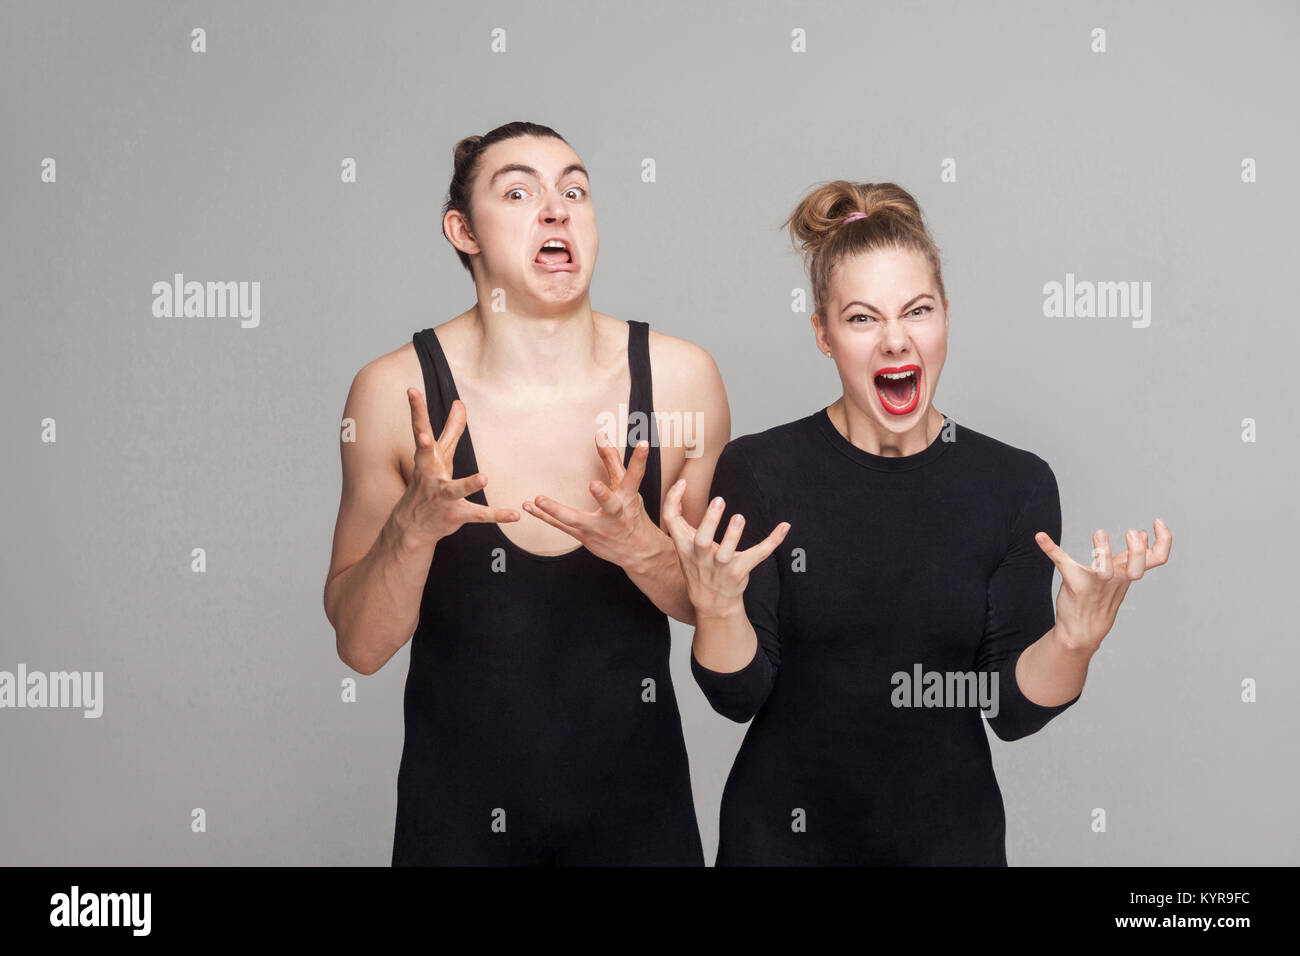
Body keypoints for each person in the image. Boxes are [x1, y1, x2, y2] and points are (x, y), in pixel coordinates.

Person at [663, 181, 1173, 866]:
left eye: (917, 311)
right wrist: (720, 608)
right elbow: (737, 694)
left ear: (946, 319)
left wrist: (1077, 639)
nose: (895, 340)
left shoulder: (1014, 485)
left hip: (948, 845)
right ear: (822, 333)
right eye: (862, 318)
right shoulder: (759, 471)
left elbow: (1012, 711)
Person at [323, 121, 729, 865]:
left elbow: (716, 617)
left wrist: (642, 548)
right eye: (519, 192)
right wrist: (411, 531)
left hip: (638, 824)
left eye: (575, 189)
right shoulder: (392, 394)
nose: (557, 209)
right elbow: (361, 646)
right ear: (463, 231)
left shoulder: (679, 382)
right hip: (457, 828)